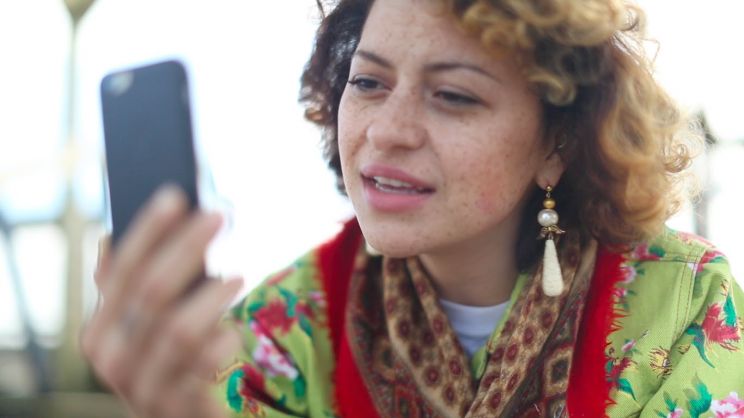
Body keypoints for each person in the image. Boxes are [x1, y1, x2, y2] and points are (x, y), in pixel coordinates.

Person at [82, 0, 744, 416]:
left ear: (559, 142)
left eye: (454, 96)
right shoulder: (282, 330)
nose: (386, 130)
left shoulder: (685, 305)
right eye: (367, 82)